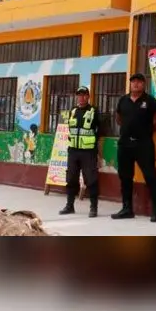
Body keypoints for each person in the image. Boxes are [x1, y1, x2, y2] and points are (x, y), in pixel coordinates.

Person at [112, 73, 156, 222]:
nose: (135, 84)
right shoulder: (123, 100)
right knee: (125, 177)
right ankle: (127, 208)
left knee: (151, 176)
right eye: (133, 82)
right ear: (130, 84)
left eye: (139, 82)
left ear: (144, 84)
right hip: (125, 144)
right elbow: (118, 119)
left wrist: (146, 132)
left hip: (144, 144)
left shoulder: (150, 101)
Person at [59, 86, 101, 217]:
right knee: (71, 178)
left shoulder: (94, 111)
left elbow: (100, 131)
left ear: (88, 96)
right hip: (73, 151)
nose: (81, 98)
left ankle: (93, 207)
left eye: (84, 95)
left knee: (91, 180)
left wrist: (95, 148)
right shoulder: (73, 111)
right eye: (79, 95)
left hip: (88, 152)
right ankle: (69, 205)